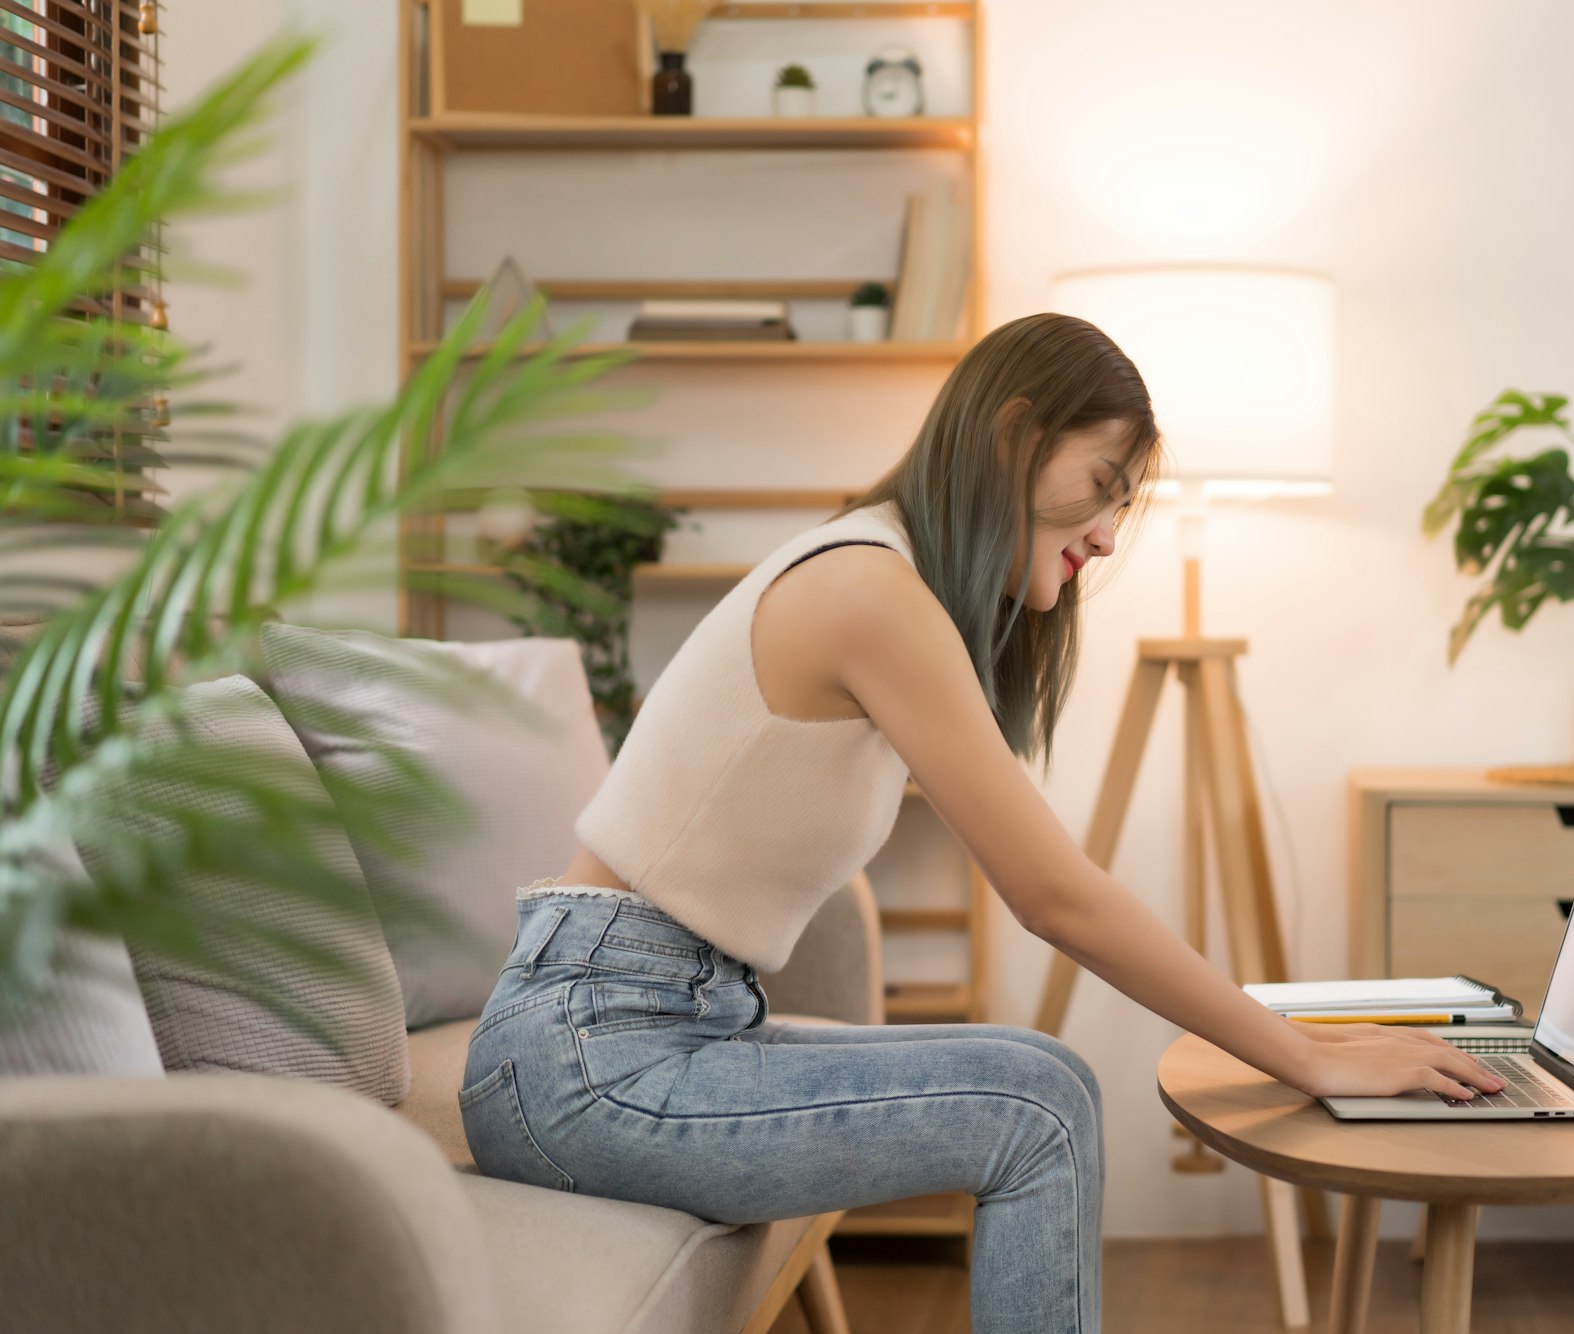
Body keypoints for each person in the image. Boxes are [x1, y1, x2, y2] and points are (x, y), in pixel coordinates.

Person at [459, 312, 1503, 1334]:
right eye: (1101, 486)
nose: (1105, 532)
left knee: (1042, 1083)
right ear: (1011, 437)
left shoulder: (883, 575)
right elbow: (1054, 894)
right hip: (587, 1055)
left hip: (651, 1022)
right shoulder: (868, 589)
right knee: (1037, 1103)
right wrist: (1303, 1055)